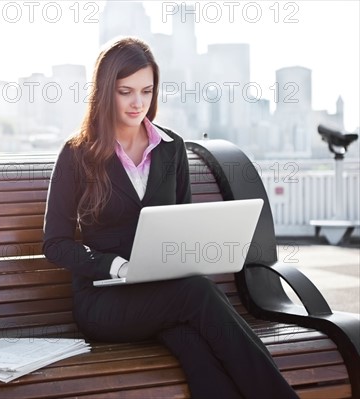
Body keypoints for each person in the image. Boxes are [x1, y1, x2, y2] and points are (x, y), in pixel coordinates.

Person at [42, 37, 298, 399]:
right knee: (197, 295)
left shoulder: (171, 148)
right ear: (104, 92)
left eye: (146, 91)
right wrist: (117, 266)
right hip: (103, 302)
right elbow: (55, 245)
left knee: (193, 344)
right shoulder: (77, 154)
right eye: (125, 91)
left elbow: (183, 224)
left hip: (163, 295)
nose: (138, 103)